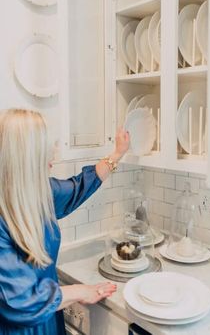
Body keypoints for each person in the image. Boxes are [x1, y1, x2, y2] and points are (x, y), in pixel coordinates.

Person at [0, 108, 130, 335]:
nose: (55, 151)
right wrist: (79, 292)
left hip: (49, 319)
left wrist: (117, 153)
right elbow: (19, 301)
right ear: (26, 154)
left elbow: (80, 187)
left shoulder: (39, 191)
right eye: (48, 145)